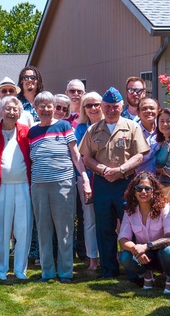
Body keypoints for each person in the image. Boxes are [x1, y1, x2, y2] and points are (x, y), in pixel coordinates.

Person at [79, 86, 150, 278]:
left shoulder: (132, 126)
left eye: (115, 106)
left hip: (125, 184)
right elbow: (86, 158)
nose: (111, 110)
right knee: (104, 227)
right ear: (102, 107)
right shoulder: (93, 129)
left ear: (121, 106)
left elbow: (140, 154)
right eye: (108, 106)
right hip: (102, 184)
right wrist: (103, 170)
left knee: (131, 226)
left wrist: (120, 170)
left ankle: (134, 270)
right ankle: (108, 270)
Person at [29, 91, 90, 282]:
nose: (46, 109)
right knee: (43, 229)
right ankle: (47, 272)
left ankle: (65, 272)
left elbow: (76, 155)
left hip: (63, 184)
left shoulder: (64, 126)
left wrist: (85, 178)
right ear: (36, 109)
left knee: (64, 230)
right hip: (39, 186)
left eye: (50, 105)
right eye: (42, 106)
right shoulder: (32, 132)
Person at [0, 95, 32, 280]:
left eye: (15, 109)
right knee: (2, 230)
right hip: (0, 187)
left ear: (20, 113)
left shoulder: (26, 131)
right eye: (8, 109)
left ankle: (20, 270)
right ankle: (2, 269)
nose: (12, 112)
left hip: (23, 186)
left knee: (23, 229)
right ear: (0, 111)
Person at [118, 173, 170, 294]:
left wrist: (146, 246)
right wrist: (136, 249)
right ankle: (146, 274)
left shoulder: (164, 208)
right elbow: (122, 240)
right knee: (124, 256)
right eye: (139, 188)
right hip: (145, 255)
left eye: (147, 188)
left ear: (153, 191)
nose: (143, 192)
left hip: (163, 253)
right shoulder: (129, 211)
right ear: (134, 192)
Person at [74, 91, 102, 272]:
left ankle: (112, 255)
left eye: (96, 104)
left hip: (107, 177)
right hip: (85, 177)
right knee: (89, 219)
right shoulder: (80, 128)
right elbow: (78, 157)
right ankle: (93, 259)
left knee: (111, 219)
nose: (92, 108)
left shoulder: (111, 125)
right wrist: (84, 179)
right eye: (88, 105)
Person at [134, 96, 160, 175]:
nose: (148, 111)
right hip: (141, 181)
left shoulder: (164, 129)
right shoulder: (133, 132)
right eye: (144, 109)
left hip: (163, 181)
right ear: (138, 113)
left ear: (158, 111)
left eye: (152, 108)